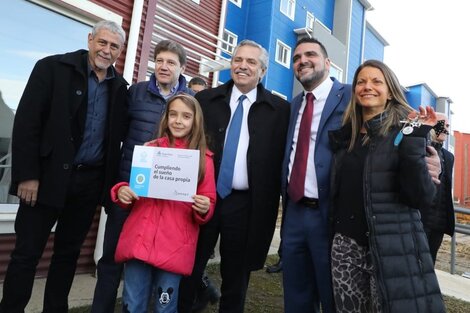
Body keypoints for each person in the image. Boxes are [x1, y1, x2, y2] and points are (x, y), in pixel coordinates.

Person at [0, 20, 128, 313]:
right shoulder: (51, 69)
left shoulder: (120, 87)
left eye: (114, 47)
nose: (106, 51)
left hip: (88, 184)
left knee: (67, 255)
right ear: (90, 39)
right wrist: (28, 176)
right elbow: (26, 124)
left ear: (120, 52)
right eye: (102, 42)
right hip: (43, 180)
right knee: (26, 254)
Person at [178, 39, 290, 313]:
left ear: (262, 70)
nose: (242, 66)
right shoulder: (205, 100)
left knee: (236, 278)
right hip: (202, 199)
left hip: (246, 205)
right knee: (188, 268)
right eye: (238, 60)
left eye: (251, 62)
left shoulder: (279, 110)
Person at [329, 59, 445, 312]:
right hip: (346, 247)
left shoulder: (407, 131)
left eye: (376, 81)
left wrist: (415, 141)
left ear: (390, 91)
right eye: (361, 82)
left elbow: (421, 196)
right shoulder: (346, 135)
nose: (367, 86)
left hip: (391, 246)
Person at [91, 39, 193, 312]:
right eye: (159, 60)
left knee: (155, 262)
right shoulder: (135, 93)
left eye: (171, 62)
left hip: (166, 202)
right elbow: (115, 138)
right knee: (111, 258)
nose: (163, 66)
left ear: (181, 68)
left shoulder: (190, 103)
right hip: (130, 192)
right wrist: (116, 185)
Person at [112, 93, 216, 312]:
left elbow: (208, 202)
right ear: (166, 118)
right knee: (132, 304)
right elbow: (133, 189)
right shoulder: (149, 150)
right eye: (173, 114)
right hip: (141, 239)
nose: (178, 120)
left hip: (174, 247)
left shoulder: (203, 160)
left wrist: (204, 208)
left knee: (165, 307)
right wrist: (121, 191)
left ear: (195, 121)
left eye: (186, 116)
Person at [280, 37, 351, 313]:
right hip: (294, 213)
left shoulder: (349, 96)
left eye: (310, 54)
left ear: (328, 63)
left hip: (330, 215)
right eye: (296, 58)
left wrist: (432, 150)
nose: (302, 61)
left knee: (333, 295)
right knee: (296, 295)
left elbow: (391, 121)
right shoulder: (294, 104)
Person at [422, 112, 455, 264]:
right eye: (442, 124)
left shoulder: (448, 157)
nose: (446, 130)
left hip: (438, 223)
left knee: (429, 266)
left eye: (448, 126)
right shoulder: (419, 149)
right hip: (420, 220)